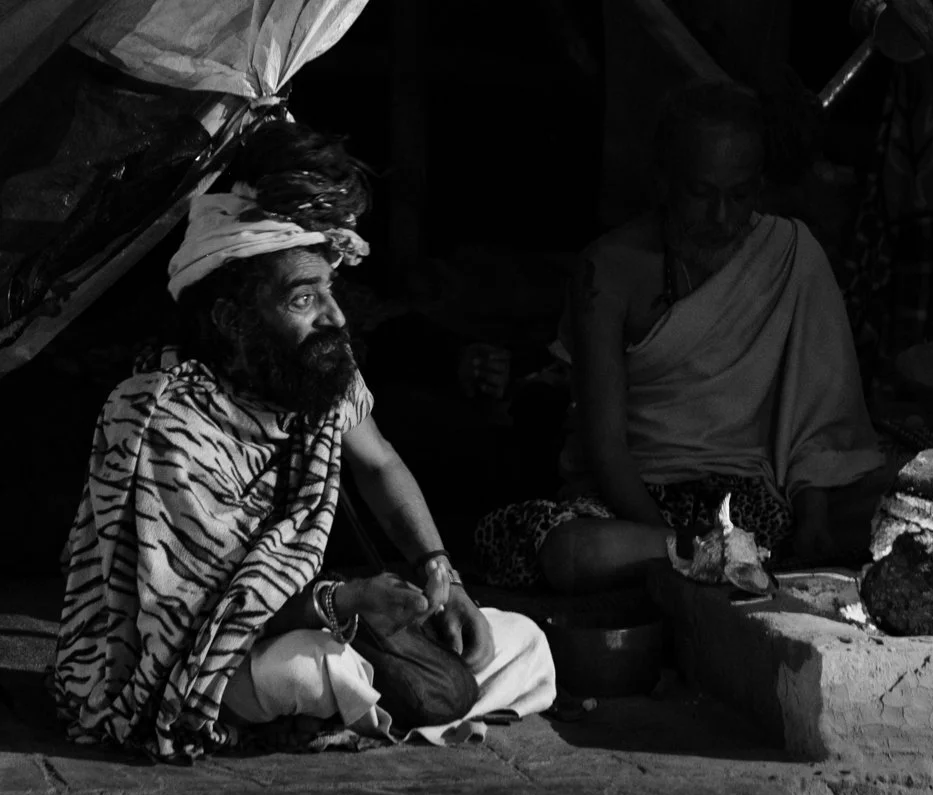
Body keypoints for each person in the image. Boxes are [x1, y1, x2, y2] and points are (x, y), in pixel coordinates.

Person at [48, 121, 555, 761]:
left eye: (331, 291)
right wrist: (346, 603)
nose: (336, 316)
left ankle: (366, 708)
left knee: (524, 642)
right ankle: (364, 703)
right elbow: (199, 603)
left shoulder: (318, 378)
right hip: (199, 652)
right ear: (234, 320)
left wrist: (440, 572)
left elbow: (380, 464)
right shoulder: (160, 417)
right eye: (304, 298)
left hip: (321, 619)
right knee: (308, 673)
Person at [475, 81, 888, 593]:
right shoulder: (608, 271)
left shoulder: (791, 254)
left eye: (739, 196)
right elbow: (606, 446)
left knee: (911, 509)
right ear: (664, 182)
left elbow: (820, 426)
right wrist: (675, 542)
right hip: (635, 500)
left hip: (750, 506)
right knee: (573, 549)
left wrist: (814, 520)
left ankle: (729, 557)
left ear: (759, 186)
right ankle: (707, 560)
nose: (721, 217)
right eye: (700, 193)